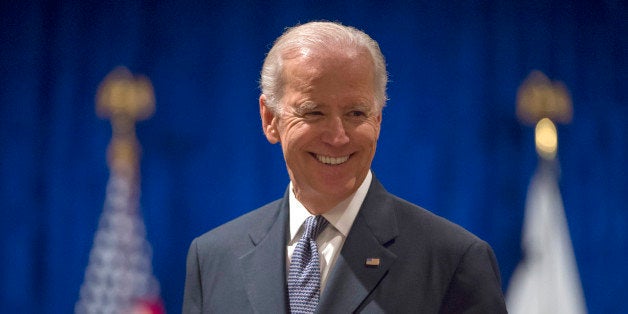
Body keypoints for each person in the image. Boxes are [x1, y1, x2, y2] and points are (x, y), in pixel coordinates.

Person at [183, 21, 507, 313]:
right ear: (271, 120)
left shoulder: (453, 261)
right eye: (313, 112)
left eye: (356, 114)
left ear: (378, 120)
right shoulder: (212, 258)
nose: (338, 137)